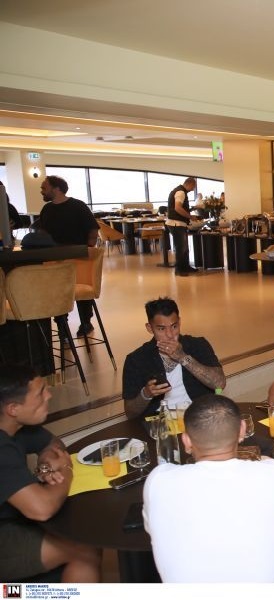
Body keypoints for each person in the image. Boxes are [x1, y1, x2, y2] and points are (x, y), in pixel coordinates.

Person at [143, 394, 274, 582]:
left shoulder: (158, 481)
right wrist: (264, 460)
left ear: (186, 441)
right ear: (242, 430)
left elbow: (152, 528)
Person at [0, 365, 101, 582]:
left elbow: (53, 444)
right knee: (85, 550)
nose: (49, 395)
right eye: (40, 393)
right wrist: (65, 470)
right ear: (13, 409)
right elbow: (42, 509)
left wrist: (46, 465)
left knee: (85, 531)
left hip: (14, 520)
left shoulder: (18, 426)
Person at [123, 297, 226, 420]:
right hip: (160, 421)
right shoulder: (136, 359)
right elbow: (130, 413)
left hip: (199, 416)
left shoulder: (197, 345)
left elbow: (219, 384)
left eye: (174, 326)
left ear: (179, 322)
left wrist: (183, 357)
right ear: (150, 328)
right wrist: (146, 394)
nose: (170, 335)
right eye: (161, 329)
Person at [37, 175, 99, 336]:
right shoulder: (47, 209)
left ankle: (86, 322)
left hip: (78, 258)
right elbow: (42, 231)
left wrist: (88, 249)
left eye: (44, 187)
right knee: (57, 292)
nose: (41, 191)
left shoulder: (78, 206)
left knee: (81, 293)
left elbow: (93, 229)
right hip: (54, 259)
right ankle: (62, 326)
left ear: (56, 188)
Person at [165, 176, 198, 276]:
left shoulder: (179, 191)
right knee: (181, 248)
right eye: (193, 187)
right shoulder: (181, 192)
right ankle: (179, 269)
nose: (193, 189)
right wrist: (190, 217)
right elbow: (178, 208)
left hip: (177, 223)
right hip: (176, 223)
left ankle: (185, 267)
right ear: (190, 184)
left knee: (184, 247)